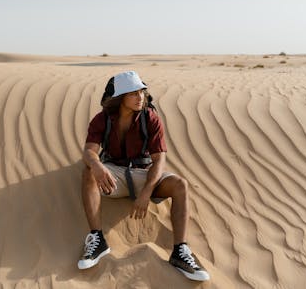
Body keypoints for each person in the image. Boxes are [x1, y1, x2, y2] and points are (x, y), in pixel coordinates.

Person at [77, 71, 210, 281]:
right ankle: (97, 239)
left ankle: (180, 251)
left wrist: (146, 193)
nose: (140, 97)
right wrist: (98, 166)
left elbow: (160, 160)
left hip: (145, 175)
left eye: (141, 92)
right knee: (88, 172)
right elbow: (89, 151)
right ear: (120, 98)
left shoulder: (151, 118)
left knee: (180, 185)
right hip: (115, 175)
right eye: (133, 93)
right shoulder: (102, 119)